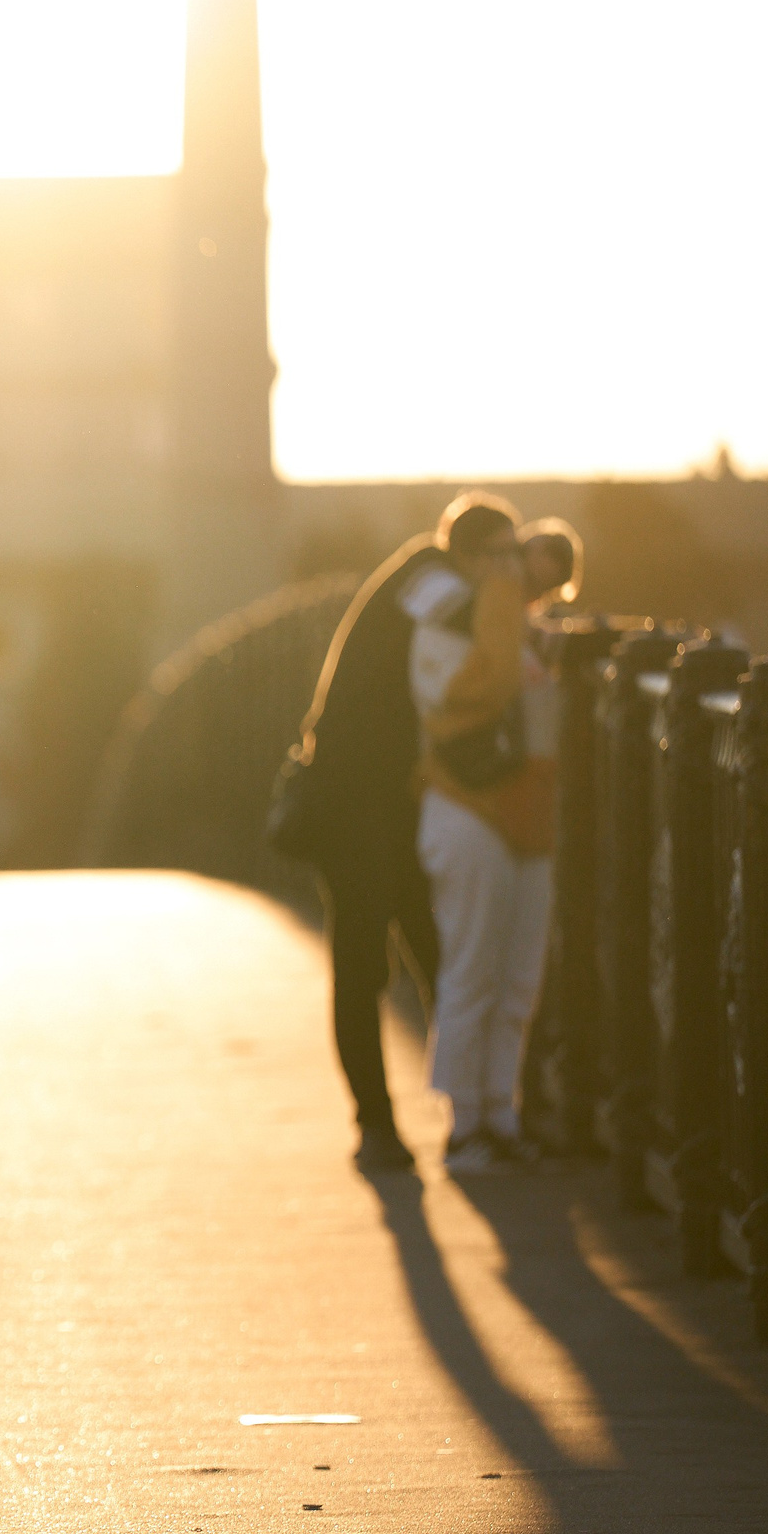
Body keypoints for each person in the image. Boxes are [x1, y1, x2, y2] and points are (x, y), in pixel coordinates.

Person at [292, 500, 474, 1171]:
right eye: (502, 559)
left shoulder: (429, 574)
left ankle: (469, 1109)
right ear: (473, 553)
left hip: (389, 802)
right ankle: (377, 1123)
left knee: (436, 946)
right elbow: (464, 617)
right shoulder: (428, 573)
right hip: (353, 803)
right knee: (369, 960)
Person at [407, 516, 581, 1172]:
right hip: (467, 809)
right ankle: (463, 1125)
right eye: (503, 553)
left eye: (524, 554)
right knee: (472, 970)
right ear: (474, 557)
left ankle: (500, 1112)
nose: (518, 566)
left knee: (518, 979)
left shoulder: (524, 628)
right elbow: (476, 693)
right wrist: (506, 604)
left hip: (529, 821)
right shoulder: (447, 617)